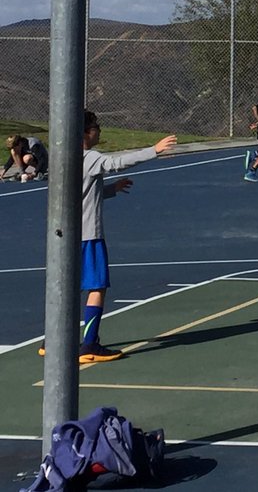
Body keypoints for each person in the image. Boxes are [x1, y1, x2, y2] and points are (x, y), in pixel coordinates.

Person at [78, 109, 176, 361]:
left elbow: (84, 193)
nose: (99, 131)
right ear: (86, 133)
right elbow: (116, 163)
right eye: (96, 127)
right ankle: (89, 345)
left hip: (64, 235)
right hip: (88, 235)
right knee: (97, 286)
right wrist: (154, 150)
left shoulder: (64, 158)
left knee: (66, 286)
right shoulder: (90, 157)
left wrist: (112, 189)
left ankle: (53, 340)